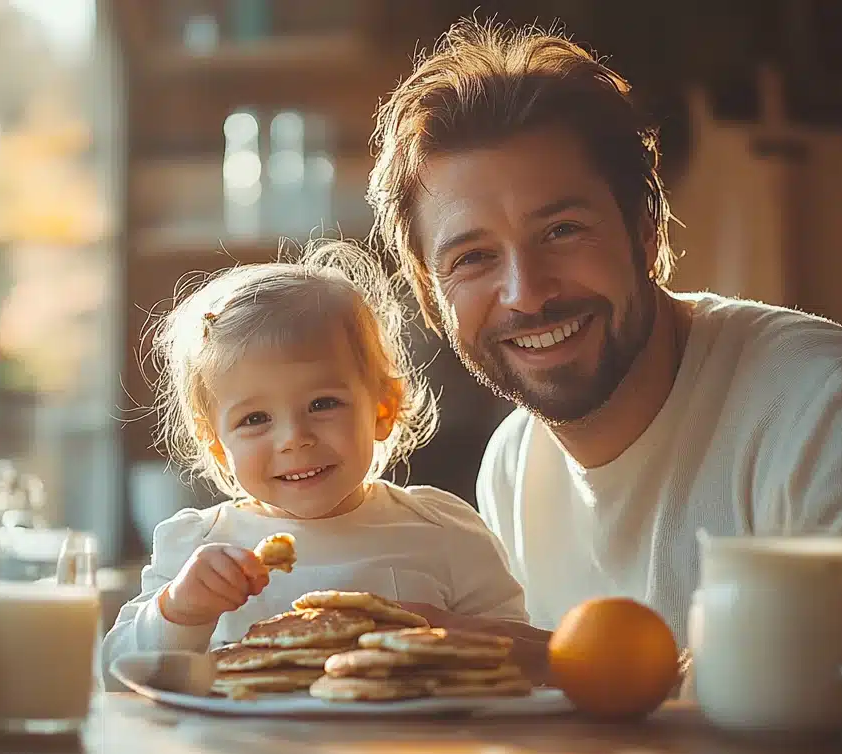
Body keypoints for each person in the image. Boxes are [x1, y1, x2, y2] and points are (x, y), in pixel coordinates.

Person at [364, 19, 842, 754]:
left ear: (644, 230)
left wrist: (605, 674)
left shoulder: (829, 408)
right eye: (472, 257)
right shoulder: (515, 460)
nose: (526, 293)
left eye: (563, 229)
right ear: (432, 299)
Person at [101, 240, 528, 679]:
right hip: (237, 748)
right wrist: (179, 611)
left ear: (383, 408)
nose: (294, 439)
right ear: (215, 443)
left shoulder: (444, 532)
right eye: (255, 418)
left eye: (323, 404)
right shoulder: (197, 547)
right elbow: (115, 676)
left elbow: (522, 659)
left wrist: (451, 634)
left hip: (413, 744)